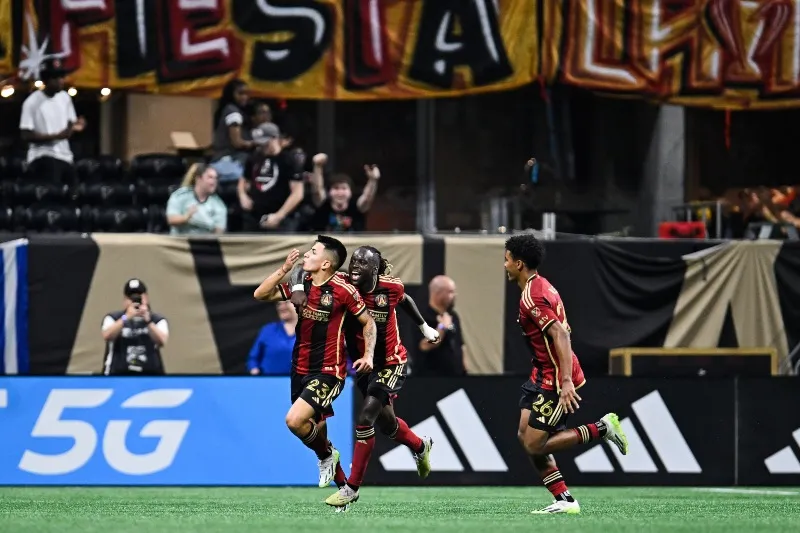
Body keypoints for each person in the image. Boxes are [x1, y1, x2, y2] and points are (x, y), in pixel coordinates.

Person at [288, 246, 441, 508]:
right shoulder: (345, 284)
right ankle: (419, 445)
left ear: (375, 269)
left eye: (362, 263)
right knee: (387, 424)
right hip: (363, 365)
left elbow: (405, 300)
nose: (355, 266)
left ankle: (351, 488)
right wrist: (297, 288)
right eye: (354, 261)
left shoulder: (390, 287)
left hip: (391, 362)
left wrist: (424, 326)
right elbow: (304, 271)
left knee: (366, 416)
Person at [503, 234, 628, 514]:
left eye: (507, 259)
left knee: (535, 445)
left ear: (519, 263)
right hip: (542, 372)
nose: (505, 264)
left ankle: (602, 428)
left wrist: (565, 380)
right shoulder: (541, 285)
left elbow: (559, 332)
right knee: (525, 435)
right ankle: (564, 500)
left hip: (555, 377)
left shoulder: (532, 297)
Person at [253, 236, 377, 488]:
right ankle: (344, 489)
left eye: (313, 252)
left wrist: (368, 355)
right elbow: (261, 293)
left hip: (329, 370)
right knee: (316, 428)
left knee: (294, 421)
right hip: (299, 368)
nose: (306, 255)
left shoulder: (344, 289)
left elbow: (368, 322)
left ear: (326, 264)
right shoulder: (303, 284)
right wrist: (285, 269)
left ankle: (327, 456)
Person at [19, 57, 86, 184]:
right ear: (46, 80)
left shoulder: (65, 98)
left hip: (65, 156)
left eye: (61, 77)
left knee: (74, 195)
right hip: (42, 156)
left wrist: (77, 126)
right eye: (56, 78)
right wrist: (56, 136)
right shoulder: (31, 102)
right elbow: (25, 134)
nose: (61, 81)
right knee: (53, 191)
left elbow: (69, 126)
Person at [237, 130, 305, 232]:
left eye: (265, 143)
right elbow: (243, 180)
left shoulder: (288, 159)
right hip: (254, 216)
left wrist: (279, 215)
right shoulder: (254, 157)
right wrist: (243, 196)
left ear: (275, 139)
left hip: (281, 218)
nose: (262, 146)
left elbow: (298, 193)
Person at [100, 279, 169, 375]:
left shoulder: (157, 319)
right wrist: (126, 317)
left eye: (139, 297)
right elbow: (107, 335)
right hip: (117, 375)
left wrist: (148, 322)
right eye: (131, 298)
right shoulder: (113, 318)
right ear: (125, 300)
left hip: (150, 375)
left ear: (146, 298)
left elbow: (162, 341)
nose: (135, 301)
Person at [307, 154, 380, 232]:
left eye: (344, 188)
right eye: (336, 188)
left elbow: (367, 198)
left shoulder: (356, 207)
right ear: (329, 192)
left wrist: (373, 180)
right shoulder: (324, 205)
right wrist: (317, 167)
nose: (340, 193)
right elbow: (317, 191)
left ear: (350, 192)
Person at [411, 275, 467, 376]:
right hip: (431, 378)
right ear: (438, 293)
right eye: (450, 292)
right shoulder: (421, 317)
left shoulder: (453, 316)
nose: (454, 295)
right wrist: (441, 328)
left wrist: (464, 368)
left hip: (455, 377)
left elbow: (460, 344)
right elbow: (424, 346)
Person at [210, 79, 254, 183]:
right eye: (240, 93)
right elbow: (237, 142)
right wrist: (255, 143)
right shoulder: (233, 112)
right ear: (231, 94)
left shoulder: (227, 110)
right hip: (229, 161)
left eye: (246, 94)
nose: (244, 97)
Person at [166, 163, 227, 235]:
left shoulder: (218, 204)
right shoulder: (180, 196)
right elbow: (171, 219)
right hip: (181, 243)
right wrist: (186, 218)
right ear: (199, 179)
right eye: (210, 177)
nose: (213, 182)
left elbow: (219, 232)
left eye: (215, 178)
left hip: (206, 243)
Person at [247, 300, 297, 375]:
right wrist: (254, 371)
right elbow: (253, 358)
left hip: (301, 384)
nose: (282, 307)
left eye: (286, 302)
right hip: (269, 383)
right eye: (279, 304)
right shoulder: (268, 330)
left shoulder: (311, 331)